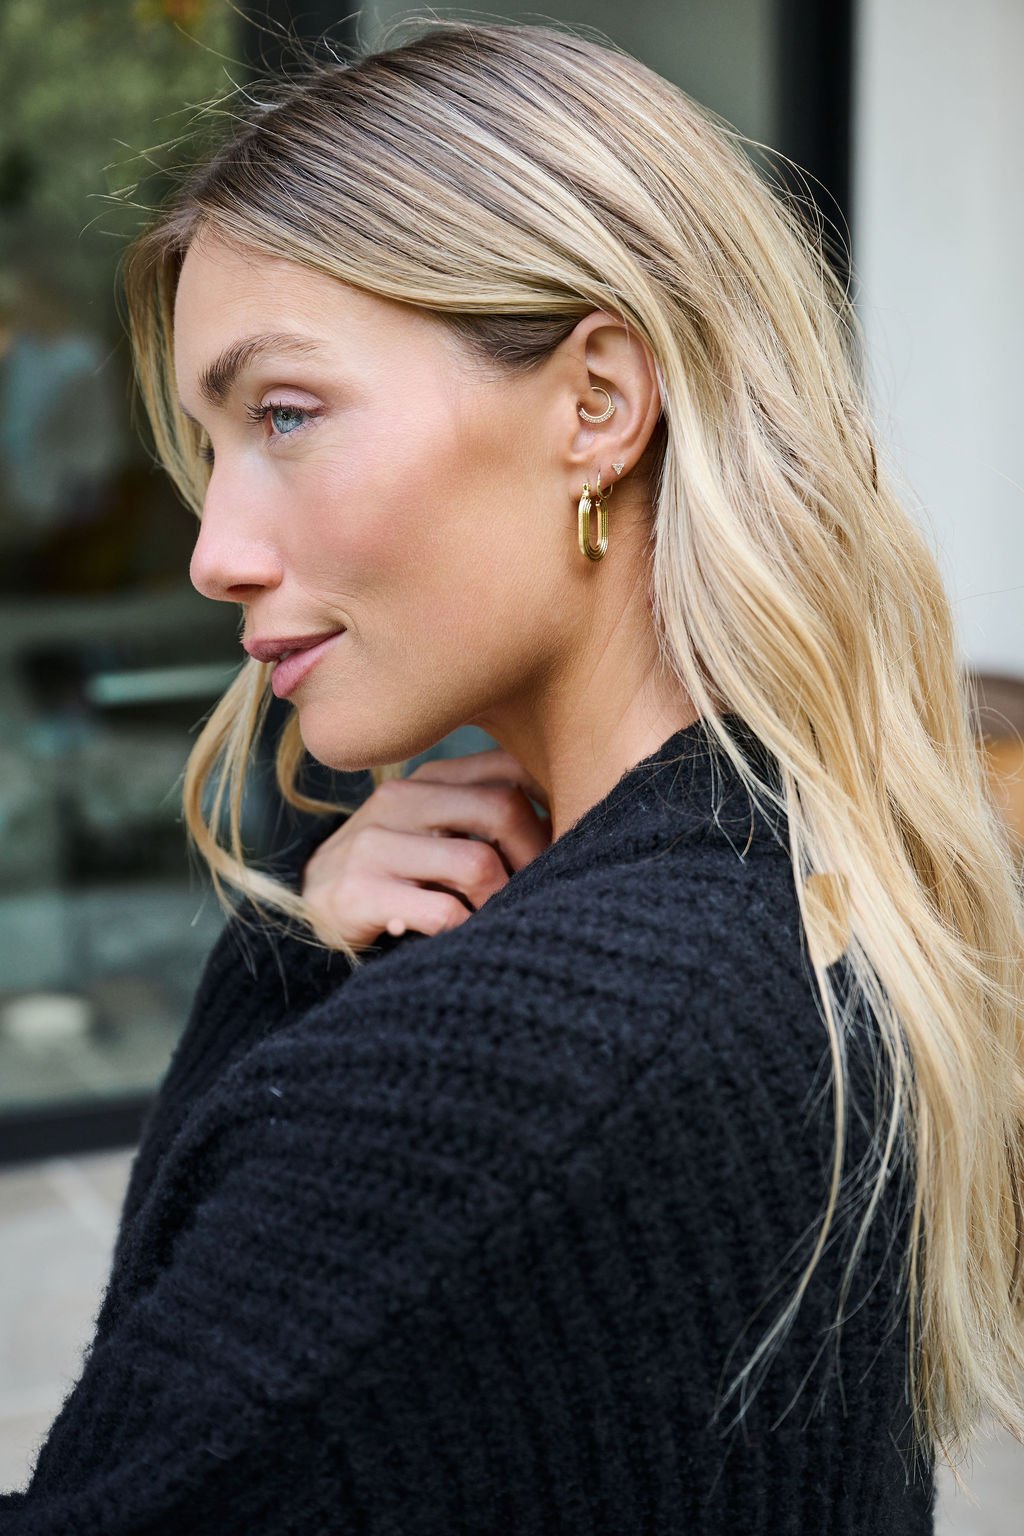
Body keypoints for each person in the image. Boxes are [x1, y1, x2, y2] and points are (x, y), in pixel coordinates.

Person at [3, 16, 1022, 1533]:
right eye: (214, 448)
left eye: (284, 413)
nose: (216, 551)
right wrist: (315, 969)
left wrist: (287, 993)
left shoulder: (526, 1069)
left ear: (598, 403)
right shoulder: (795, 880)